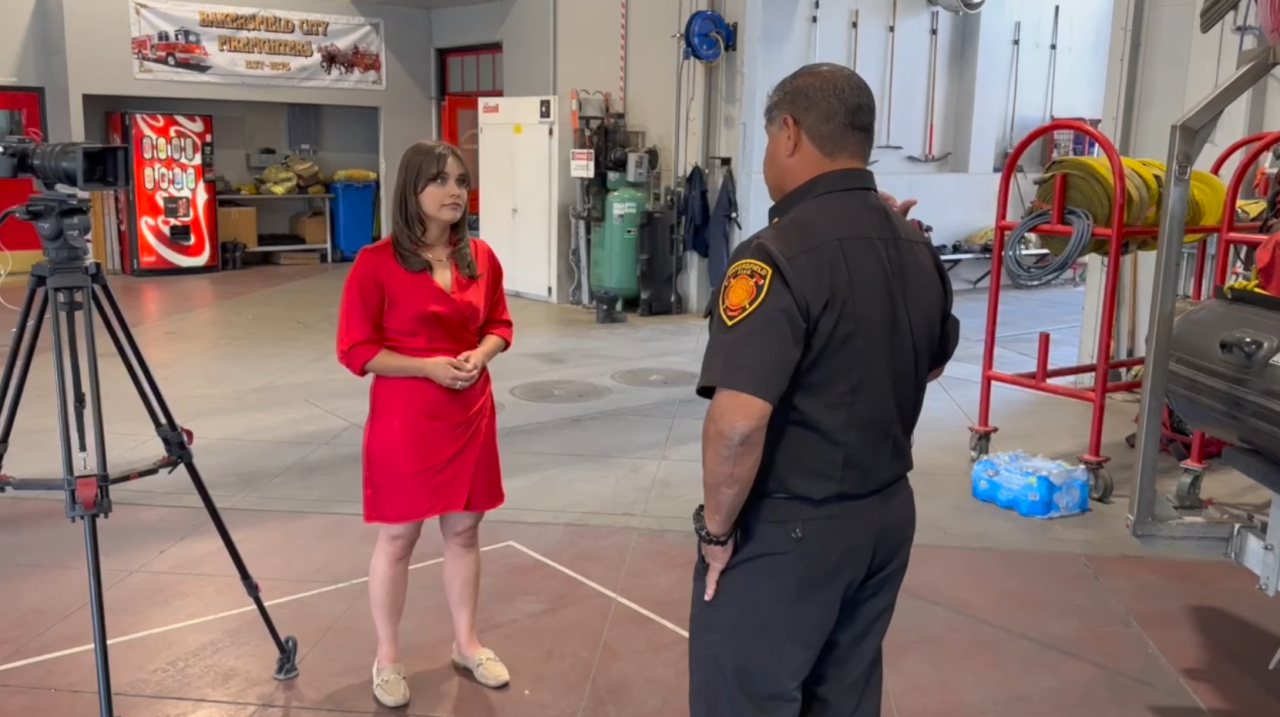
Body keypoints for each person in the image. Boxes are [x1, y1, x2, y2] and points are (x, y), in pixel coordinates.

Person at [688, 63, 960, 717]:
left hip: (788, 531)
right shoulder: (915, 244)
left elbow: (737, 423)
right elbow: (926, 363)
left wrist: (719, 533)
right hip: (885, 518)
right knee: (843, 696)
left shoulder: (773, 257)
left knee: (744, 699)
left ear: (789, 132)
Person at [336, 140, 514, 708]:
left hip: (470, 410)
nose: (455, 191)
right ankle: (387, 656)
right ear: (411, 191)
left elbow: (500, 324)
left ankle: (466, 642)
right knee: (398, 538)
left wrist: (480, 356)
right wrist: (426, 367)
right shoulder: (375, 263)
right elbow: (357, 350)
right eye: (440, 180)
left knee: (464, 532)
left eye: (461, 181)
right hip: (407, 417)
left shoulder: (481, 258)